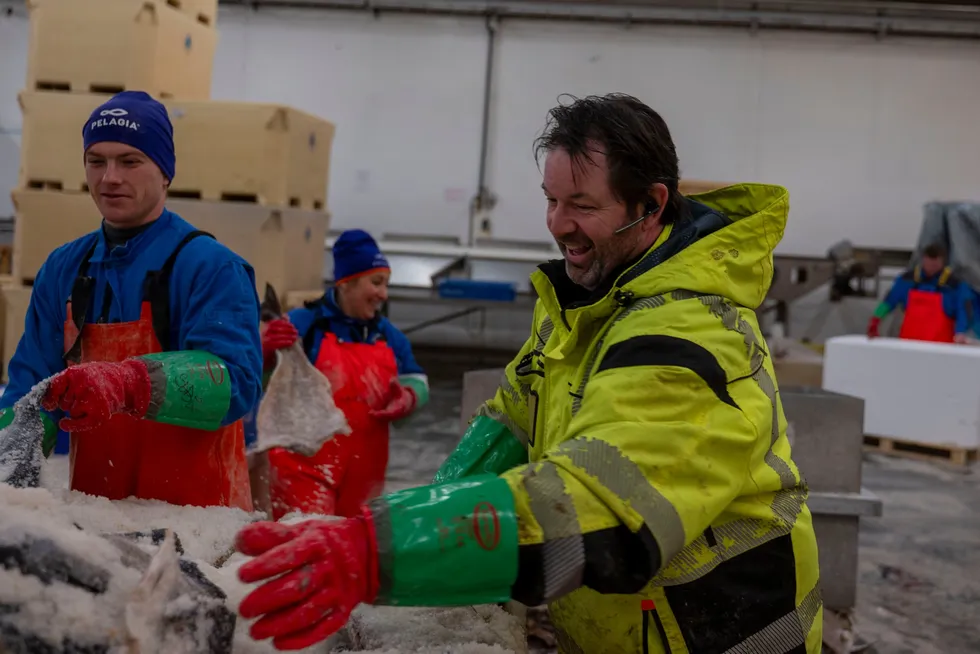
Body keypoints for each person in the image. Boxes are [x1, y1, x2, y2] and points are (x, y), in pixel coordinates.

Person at [232, 93, 822, 653]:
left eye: (583, 206)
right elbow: (509, 428)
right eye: (551, 200)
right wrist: (409, 523)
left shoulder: (686, 339)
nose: (557, 224)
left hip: (713, 635)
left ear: (651, 205)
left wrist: (377, 553)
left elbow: (603, 507)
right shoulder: (579, 309)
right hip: (631, 629)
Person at [0, 91, 263, 510]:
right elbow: (30, 393)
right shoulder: (64, 268)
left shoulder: (210, 267)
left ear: (165, 173)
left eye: (129, 161)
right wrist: (5, 467)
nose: (109, 178)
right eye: (96, 161)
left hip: (200, 520)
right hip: (101, 517)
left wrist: (129, 383)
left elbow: (237, 383)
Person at [259, 229, 429, 519]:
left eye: (386, 284)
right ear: (346, 283)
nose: (383, 295)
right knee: (304, 546)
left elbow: (417, 380)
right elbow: (258, 378)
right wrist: (264, 349)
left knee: (350, 558)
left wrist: (409, 398)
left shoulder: (391, 338)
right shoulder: (303, 325)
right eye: (376, 283)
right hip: (303, 469)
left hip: (365, 477)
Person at [867, 243, 973, 343]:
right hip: (909, 346)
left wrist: (960, 332)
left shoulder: (955, 285)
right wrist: (876, 320)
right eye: (928, 263)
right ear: (923, 260)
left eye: (935, 264)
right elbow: (889, 301)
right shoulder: (906, 280)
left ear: (942, 262)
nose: (931, 267)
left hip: (941, 348)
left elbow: (963, 310)